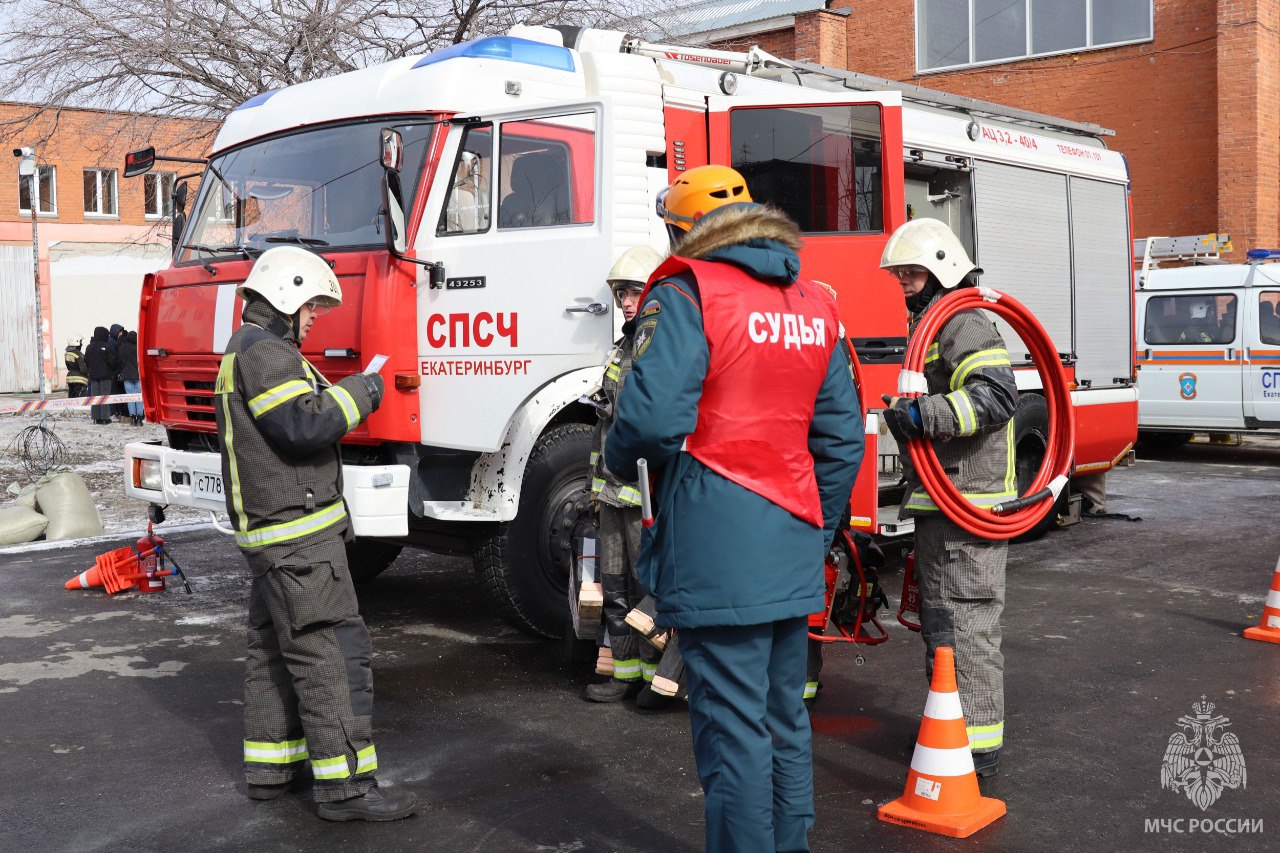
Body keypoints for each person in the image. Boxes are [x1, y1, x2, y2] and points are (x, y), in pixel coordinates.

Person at [605, 165, 864, 852]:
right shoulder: (817, 303)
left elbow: (651, 418)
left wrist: (614, 457)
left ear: (683, 229)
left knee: (732, 734)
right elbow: (841, 441)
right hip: (793, 544)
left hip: (717, 551)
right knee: (783, 720)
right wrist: (814, 530)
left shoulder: (689, 291)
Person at [213, 245, 416, 822]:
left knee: (277, 653)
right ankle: (347, 789)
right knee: (332, 655)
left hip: (271, 538)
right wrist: (364, 390)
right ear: (285, 295)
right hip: (299, 539)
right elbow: (304, 425)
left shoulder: (242, 350)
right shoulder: (267, 354)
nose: (313, 319)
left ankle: (272, 771)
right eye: (310, 308)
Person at [878, 218, 1018, 778]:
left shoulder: (964, 324)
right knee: (943, 624)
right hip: (943, 502)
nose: (904, 283)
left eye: (912, 273)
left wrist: (922, 415)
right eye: (901, 275)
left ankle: (978, 747)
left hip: (970, 504)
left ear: (943, 267)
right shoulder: (934, 329)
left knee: (967, 622)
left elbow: (995, 397)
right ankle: (949, 728)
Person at [582, 244, 684, 709]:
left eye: (634, 291)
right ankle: (626, 675)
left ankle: (660, 684)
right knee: (616, 591)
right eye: (622, 293)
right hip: (613, 497)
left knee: (651, 595)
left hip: (648, 497)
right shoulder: (623, 348)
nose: (626, 301)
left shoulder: (660, 347)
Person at [83, 326, 118, 424]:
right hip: (105, 376)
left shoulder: (89, 347)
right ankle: (105, 418)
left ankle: (96, 417)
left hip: (93, 376)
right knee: (105, 397)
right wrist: (112, 370)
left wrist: (91, 369)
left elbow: (86, 360)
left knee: (95, 398)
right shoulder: (107, 346)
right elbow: (113, 361)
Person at [120, 330, 144, 426]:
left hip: (127, 375)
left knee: (130, 397)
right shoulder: (139, 348)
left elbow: (120, 362)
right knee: (139, 396)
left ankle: (133, 417)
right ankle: (140, 418)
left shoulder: (122, 348)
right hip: (138, 375)